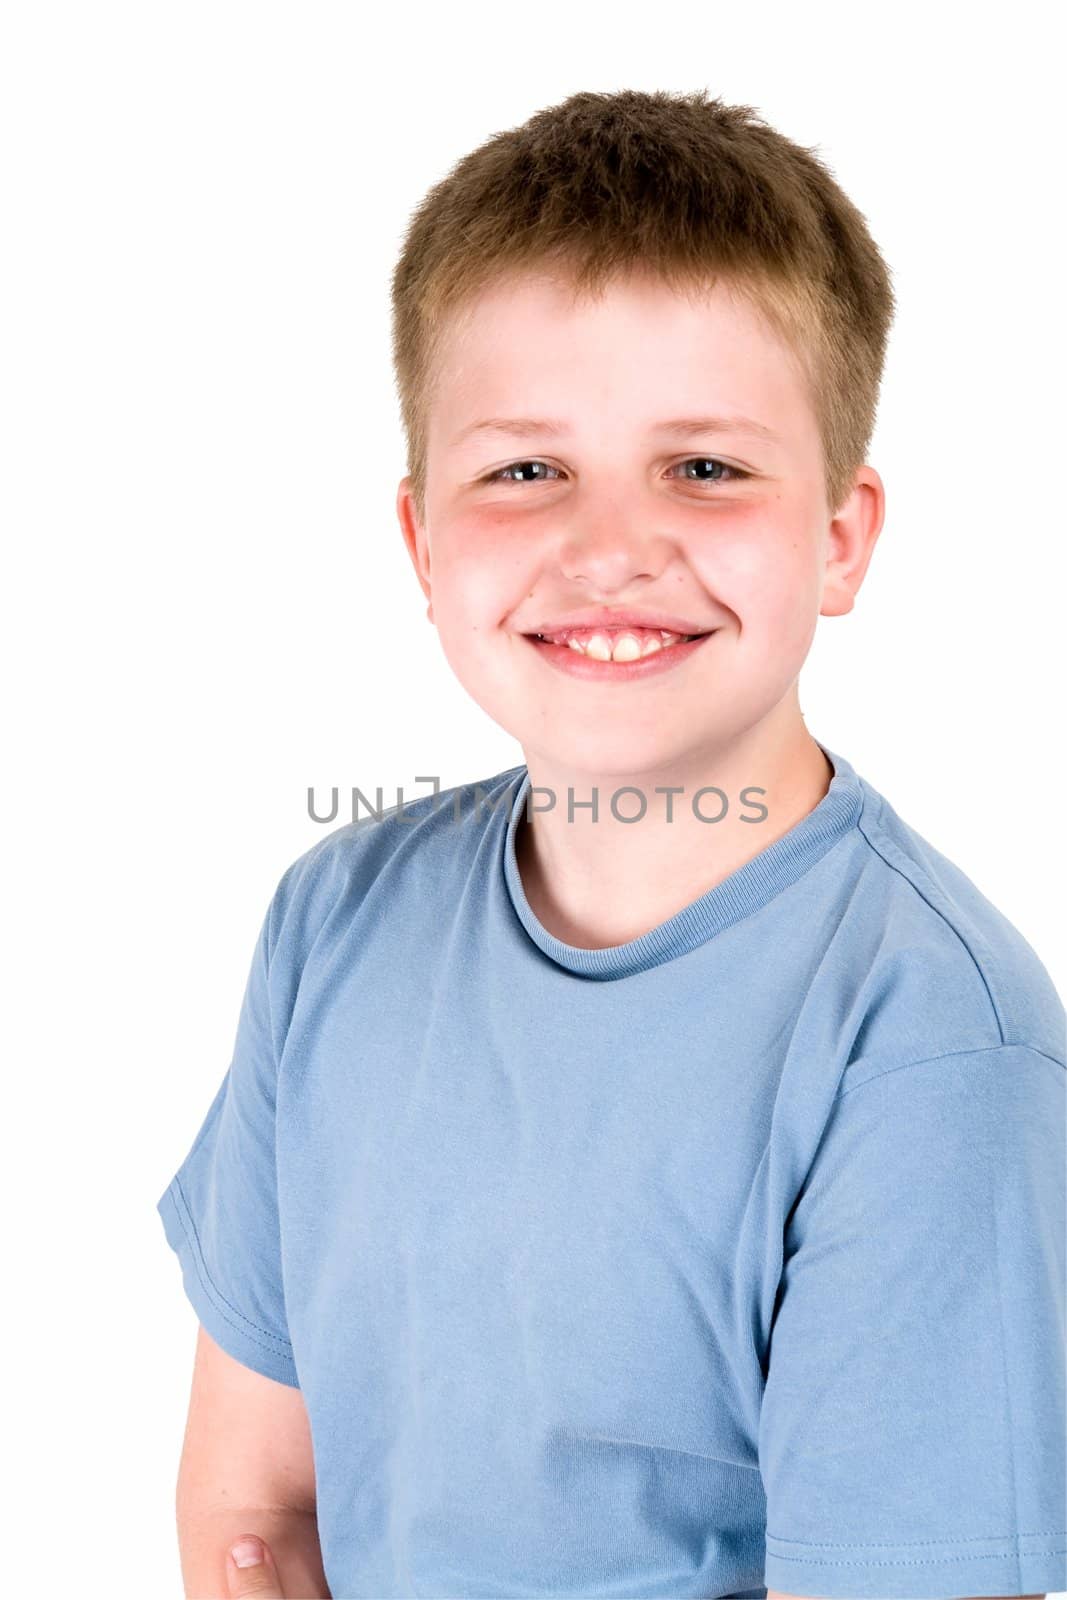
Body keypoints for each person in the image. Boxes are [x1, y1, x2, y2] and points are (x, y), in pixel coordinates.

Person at [156, 88, 1066, 1600]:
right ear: (422, 544)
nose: (609, 546)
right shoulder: (333, 924)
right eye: (527, 469)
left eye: (705, 467)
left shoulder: (924, 1044)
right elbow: (256, 1515)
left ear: (842, 534)